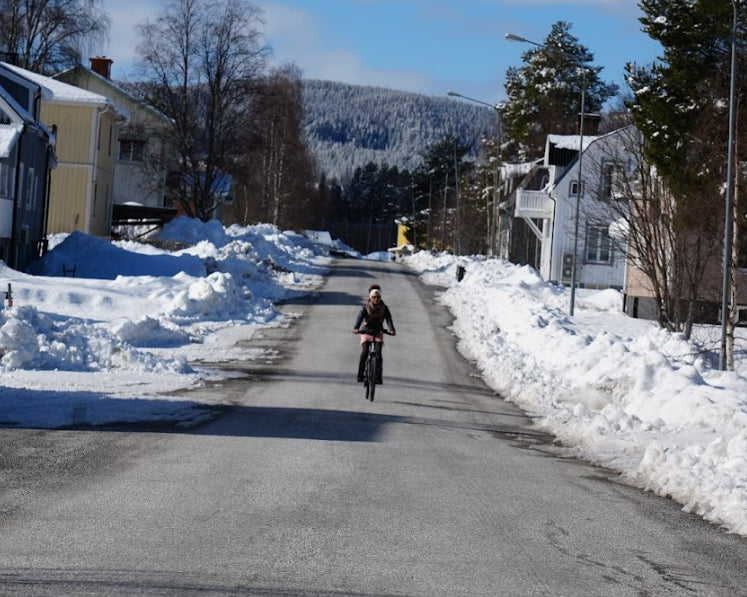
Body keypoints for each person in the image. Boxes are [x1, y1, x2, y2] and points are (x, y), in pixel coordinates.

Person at [352, 286, 395, 383]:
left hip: (378, 333)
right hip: (366, 332)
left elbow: (388, 319)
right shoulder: (365, 307)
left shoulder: (384, 308)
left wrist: (391, 329)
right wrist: (356, 328)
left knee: (379, 354)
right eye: (374, 297)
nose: (376, 299)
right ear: (370, 298)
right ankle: (360, 375)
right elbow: (359, 317)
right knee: (364, 352)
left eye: (378, 297)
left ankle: (378, 378)